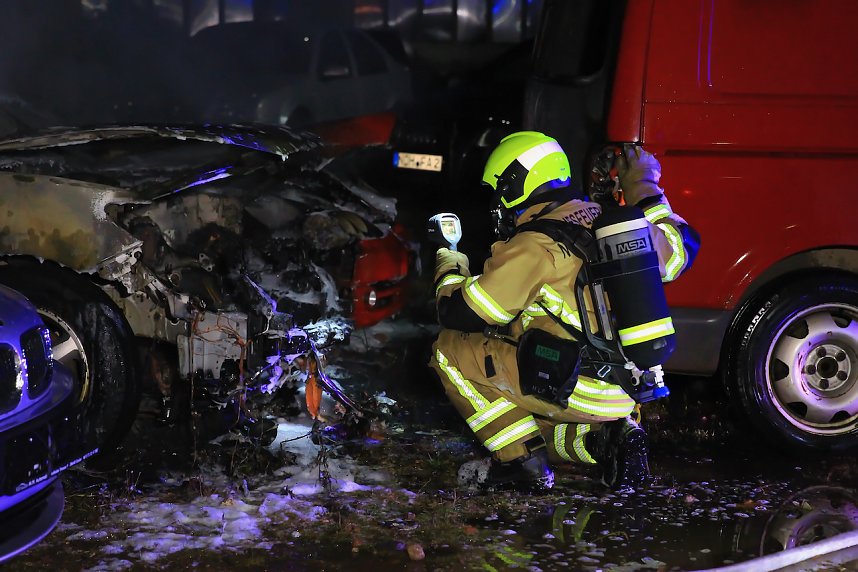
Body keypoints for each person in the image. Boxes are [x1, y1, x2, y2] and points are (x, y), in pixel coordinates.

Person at [428, 131, 700, 491]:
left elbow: (463, 314)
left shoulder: (535, 244)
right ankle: (606, 440)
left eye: (498, 190)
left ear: (515, 185)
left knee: (450, 351)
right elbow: (682, 248)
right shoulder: (620, 226)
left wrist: (449, 263)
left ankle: (521, 464)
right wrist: (643, 184)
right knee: (531, 403)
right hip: (629, 389)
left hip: (575, 385)